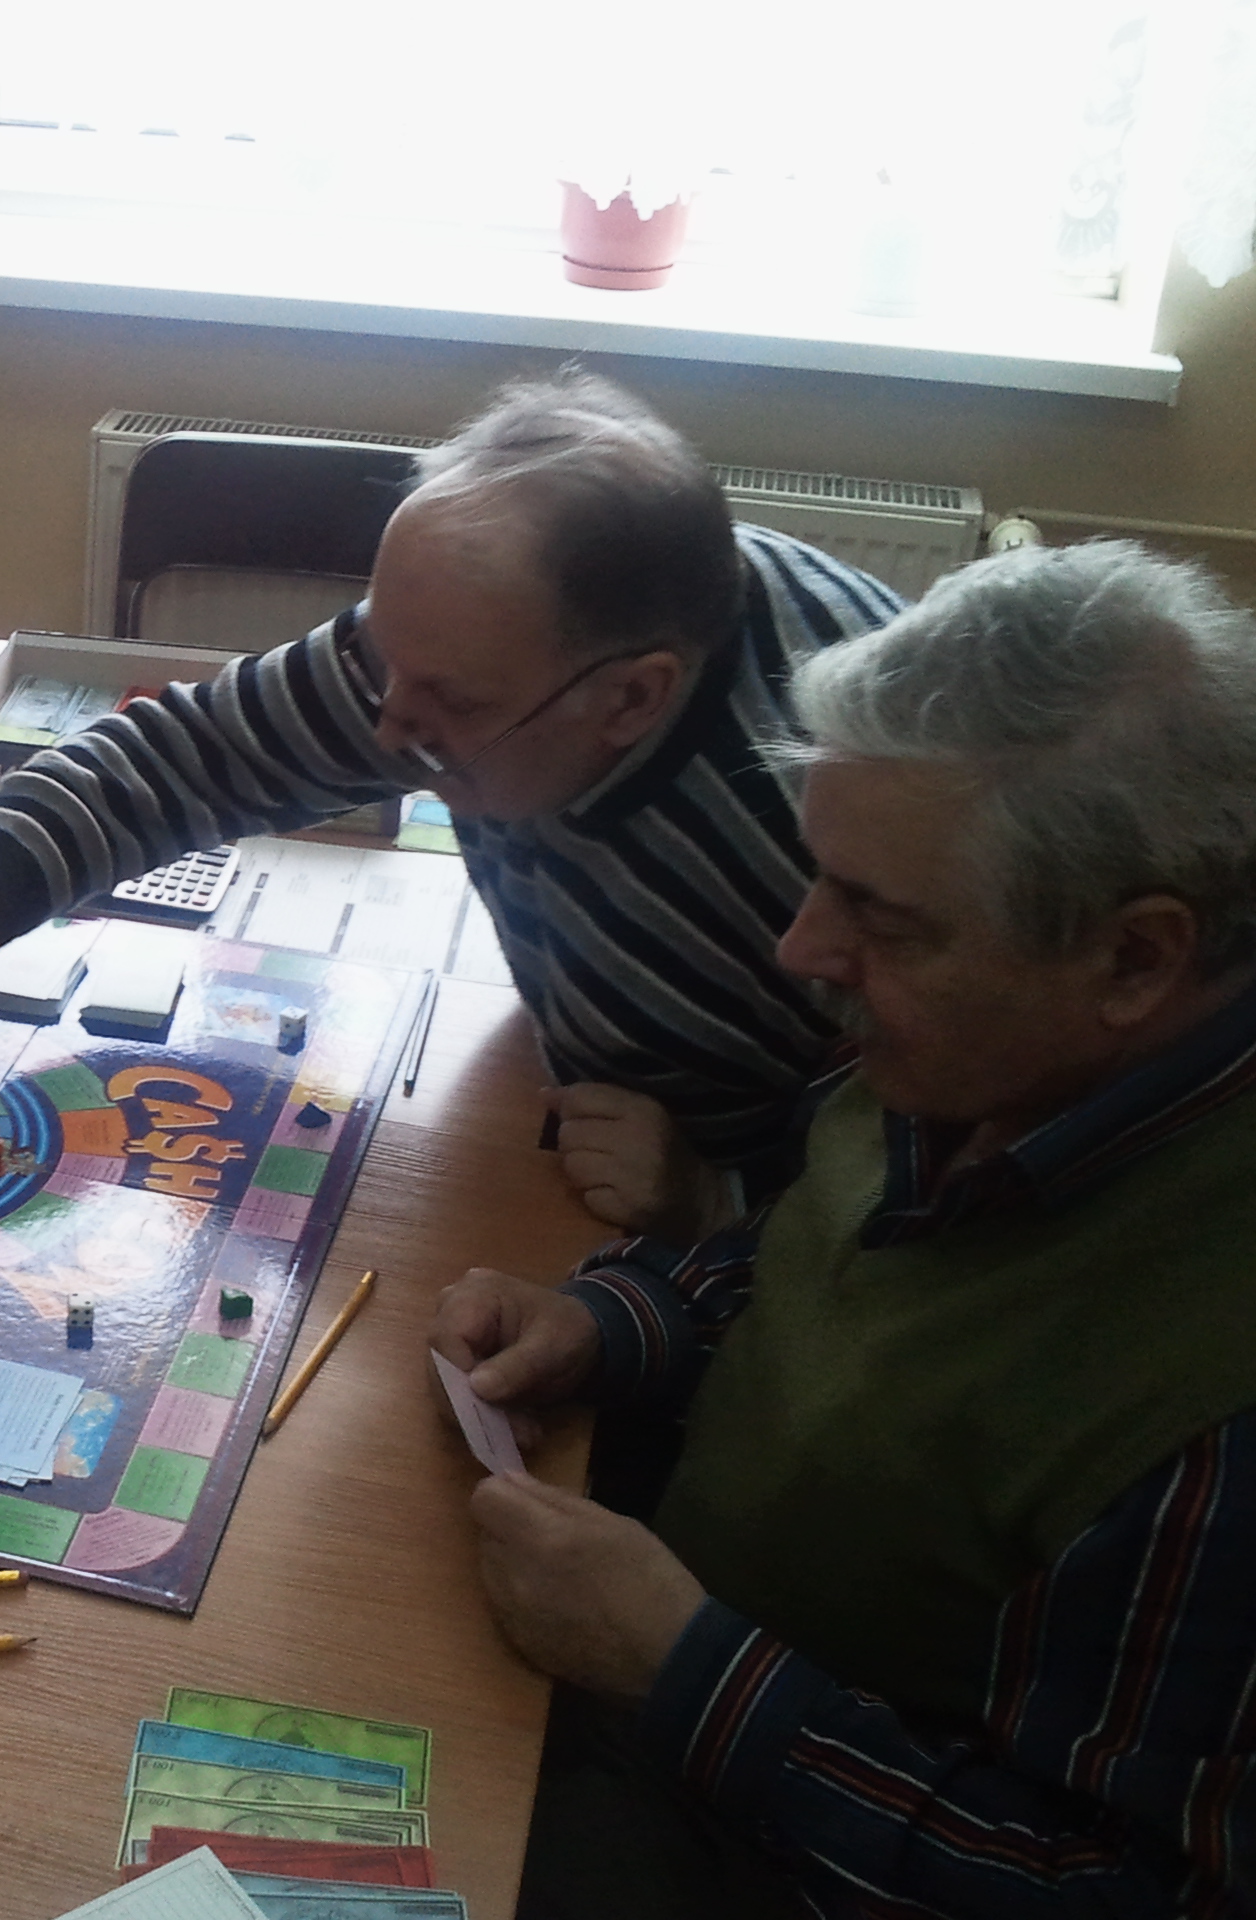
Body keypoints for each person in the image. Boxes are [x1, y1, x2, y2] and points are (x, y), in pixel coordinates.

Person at [434, 540, 1256, 1918]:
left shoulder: (1216, 1414)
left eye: (882, 916)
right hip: (663, 1665)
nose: (801, 950)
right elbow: (805, 1260)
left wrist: (681, 1667)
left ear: (1134, 956)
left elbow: (1127, 1893)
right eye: (823, 880)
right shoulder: (987, 1052)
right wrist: (615, 1323)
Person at [0, 372, 904, 1240]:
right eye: (385, 659)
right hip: (549, 1102)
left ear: (630, 700)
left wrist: (722, 1196)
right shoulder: (477, 644)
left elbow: (959, 1173)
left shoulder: (847, 828)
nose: (385, 729)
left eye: (449, 705)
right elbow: (188, 757)